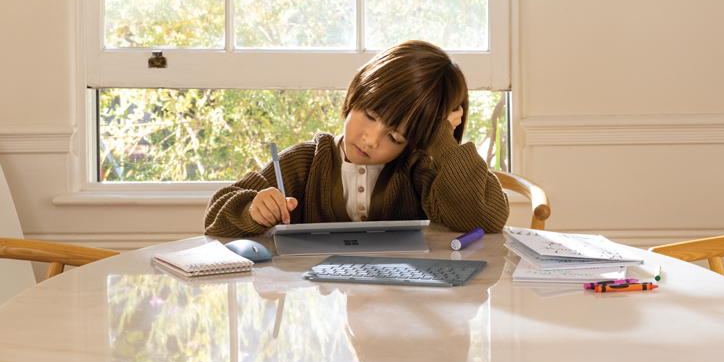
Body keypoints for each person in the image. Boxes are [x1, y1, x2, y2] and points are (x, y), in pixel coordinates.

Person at [203, 40, 509, 237]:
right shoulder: (303, 163)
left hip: (403, 309)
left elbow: (483, 220)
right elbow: (216, 216)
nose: (372, 140)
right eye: (371, 116)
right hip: (315, 312)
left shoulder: (419, 173)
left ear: (416, 142)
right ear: (356, 94)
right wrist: (252, 210)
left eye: (396, 136)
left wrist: (442, 139)